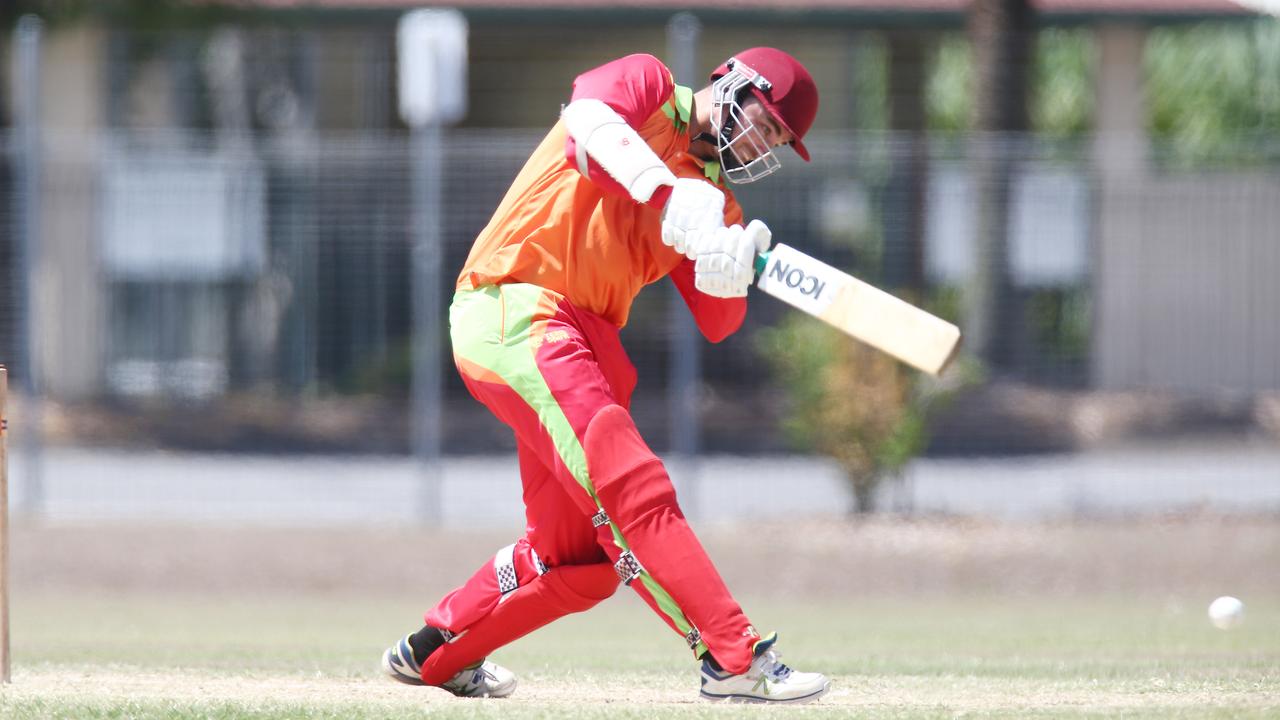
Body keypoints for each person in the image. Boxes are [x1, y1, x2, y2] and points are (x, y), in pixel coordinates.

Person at [381, 46, 830, 704]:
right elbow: (587, 125)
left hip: (587, 338)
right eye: (765, 122)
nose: (762, 143)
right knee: (633, 489)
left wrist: (729, 269)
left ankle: (437, 654)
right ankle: (731, 656)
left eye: (777, 141)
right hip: (519, 304)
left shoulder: (713, 202)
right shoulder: (647, 85)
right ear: (732, 82)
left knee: (579, 566)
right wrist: (667, 193)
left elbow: (719, 322)